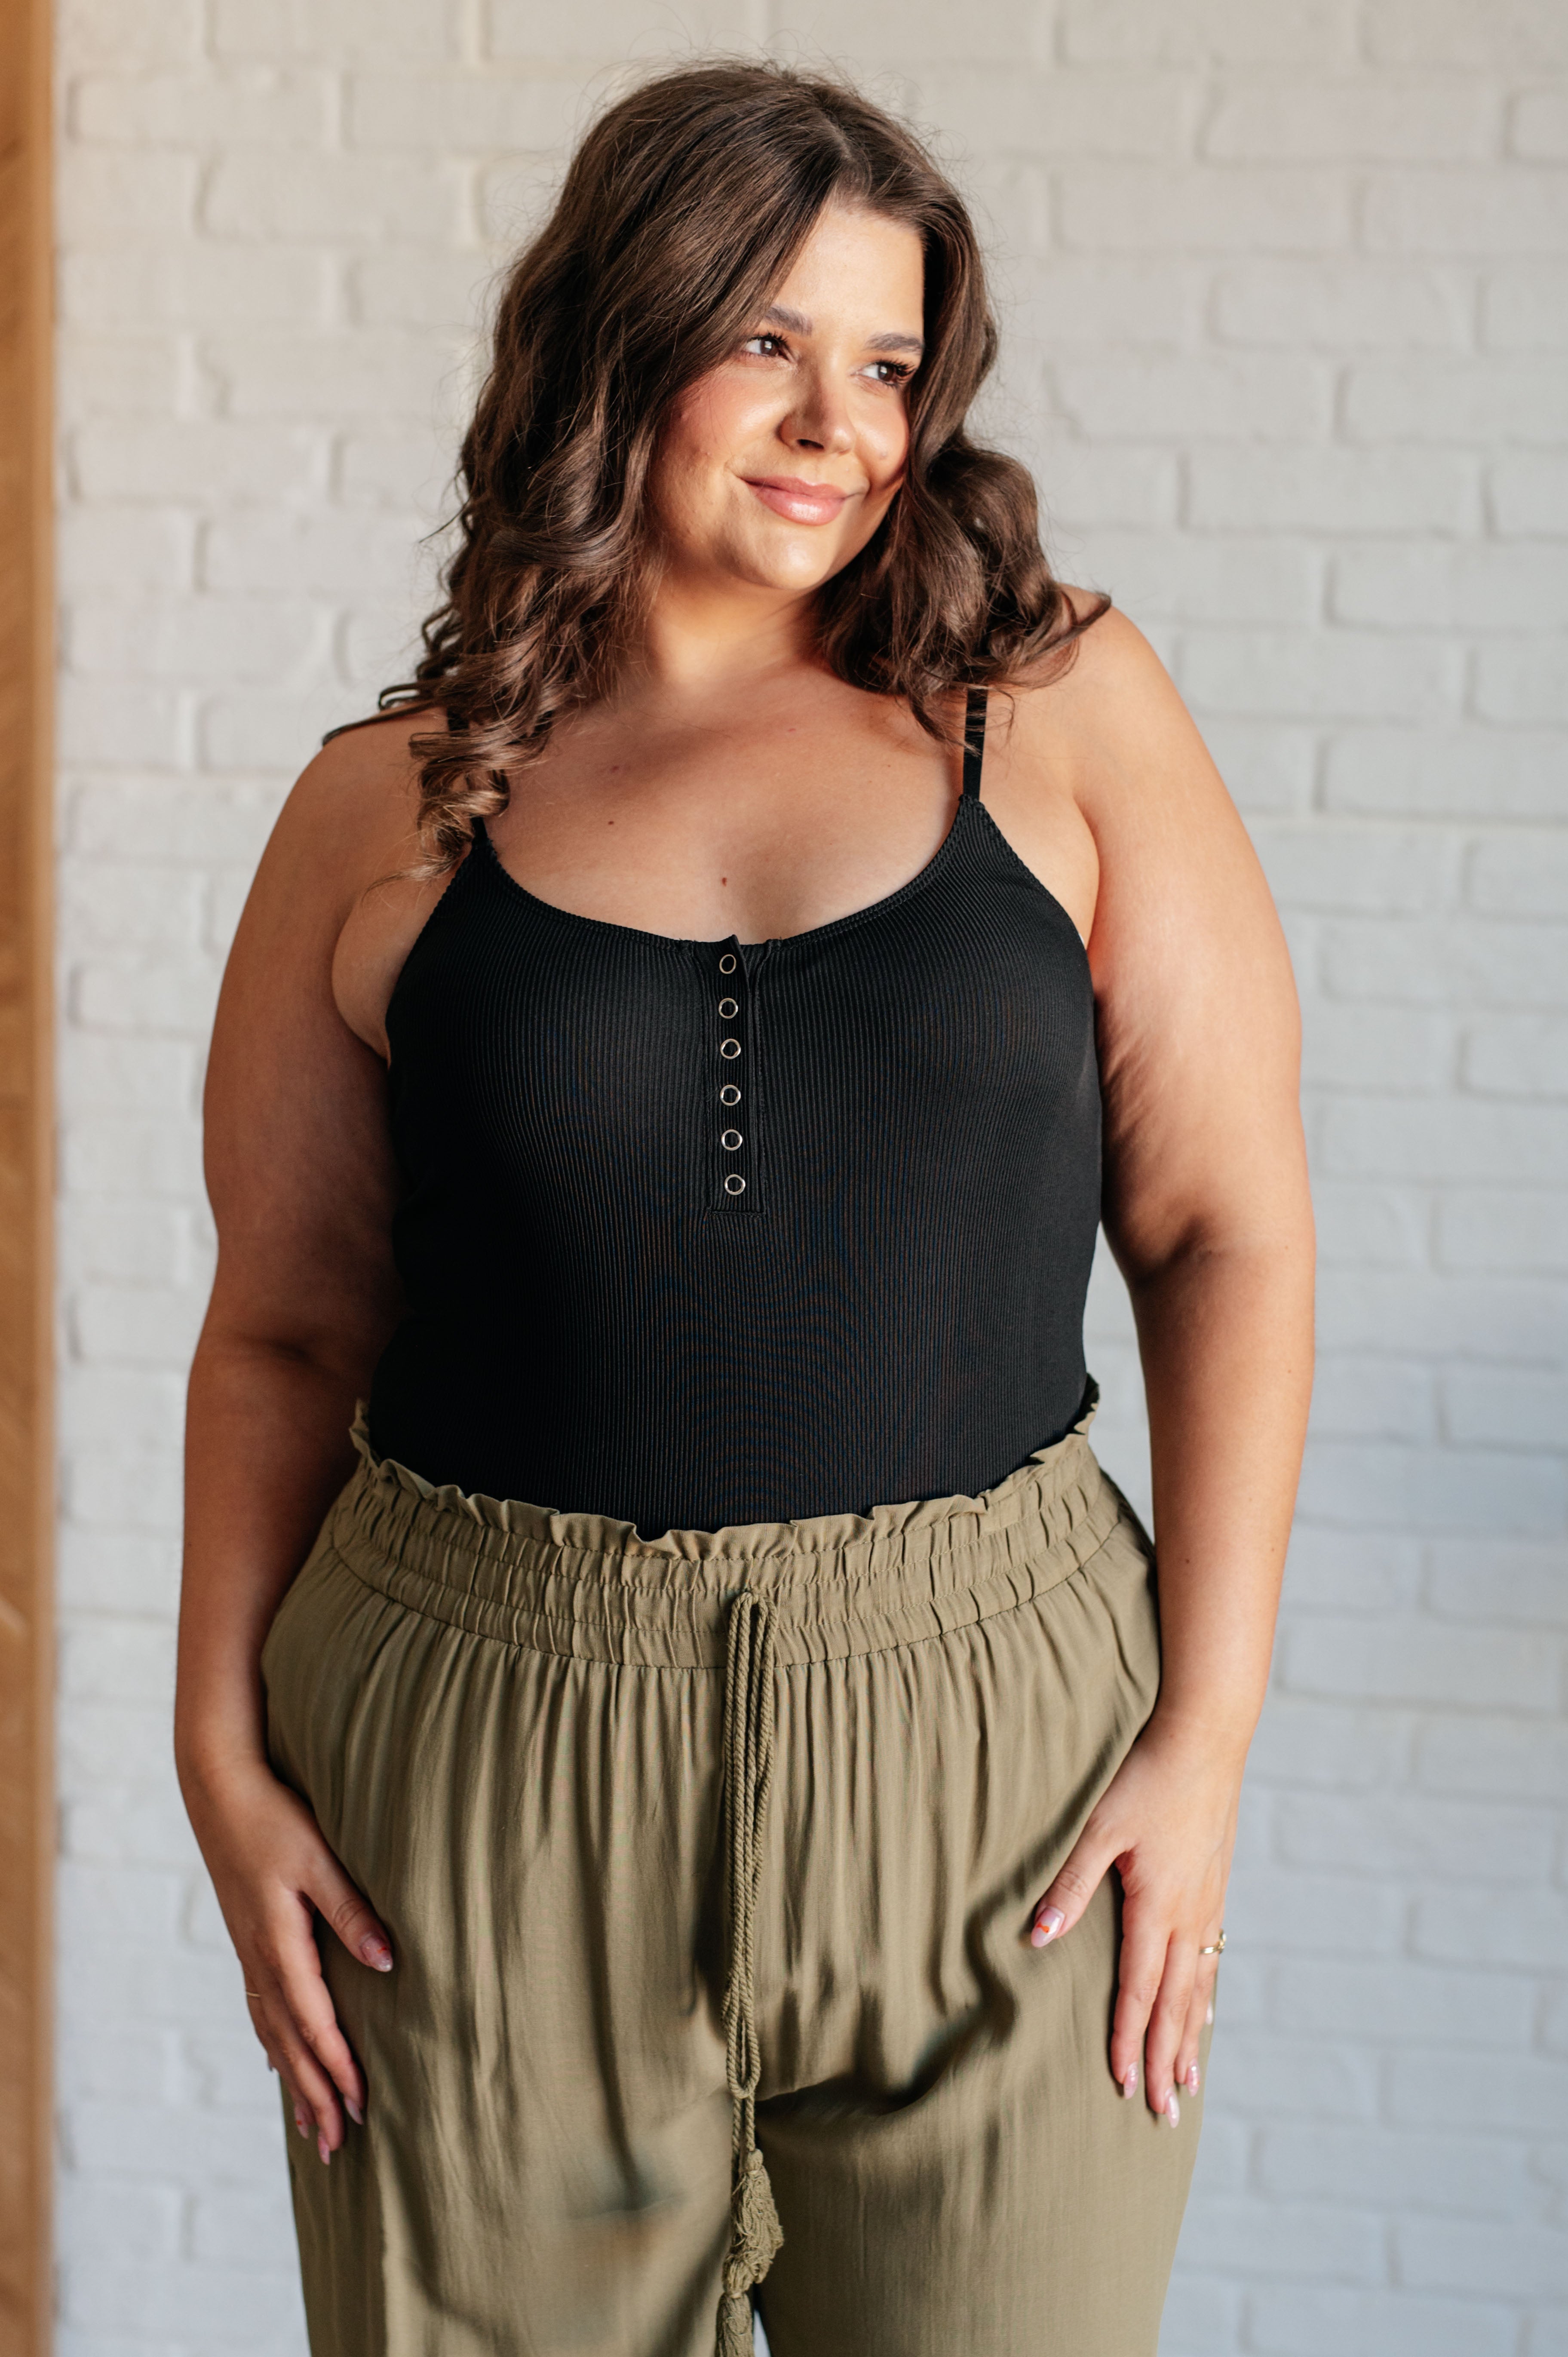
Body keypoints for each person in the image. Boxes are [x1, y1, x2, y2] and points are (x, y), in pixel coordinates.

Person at [175, 59, 1313, 2357]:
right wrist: (216, 1746)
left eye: (889, 362)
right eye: (769, 342)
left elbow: (1225, 1233)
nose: (837, 426)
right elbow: (285, 1324)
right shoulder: (383, 806)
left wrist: (1205, 1739)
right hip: (479, 1762)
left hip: (999, 1754)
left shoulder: (1060, 708)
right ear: (622, 342)